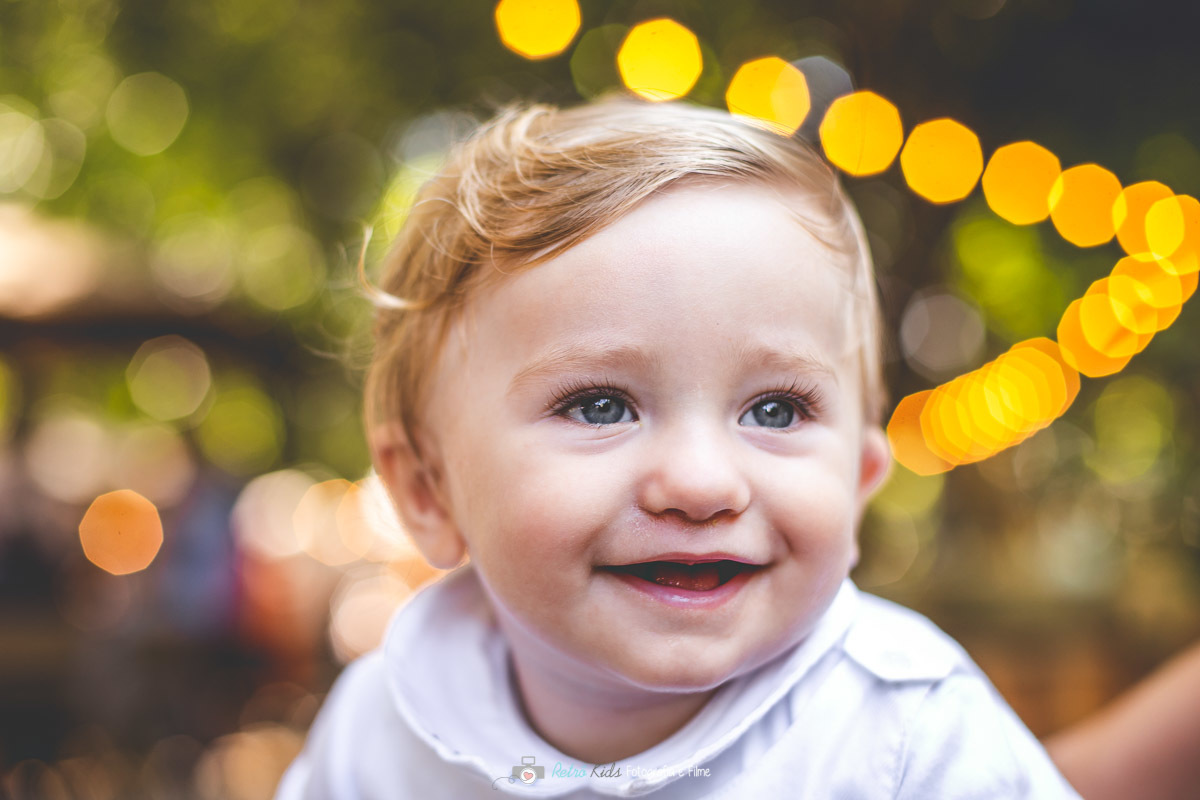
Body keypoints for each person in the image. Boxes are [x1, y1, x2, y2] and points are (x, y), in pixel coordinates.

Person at [274, 98, 1081, 798]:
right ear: (428, 491)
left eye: (774, 410)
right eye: (599, 406)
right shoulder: (384, 729)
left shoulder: (910, 736)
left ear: (862, 478)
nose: (700, 484)